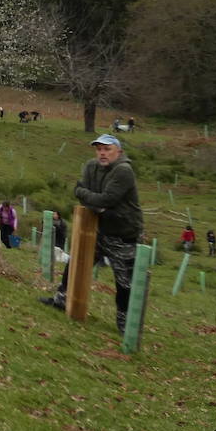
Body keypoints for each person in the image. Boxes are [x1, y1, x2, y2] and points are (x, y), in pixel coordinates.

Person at [40, 135, 143, 334]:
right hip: (100, 228)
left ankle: (125, 325)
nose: (102, 153)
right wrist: (95, 203)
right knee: (76, 263)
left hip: (124, 234)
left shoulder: (124, 170)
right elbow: (79, 190)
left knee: (124, 282)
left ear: (118, 152)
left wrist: (94, 201)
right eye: (99, 149)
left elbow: (106, 199)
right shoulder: (91, 166)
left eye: (107, 149)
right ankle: (61, 300)